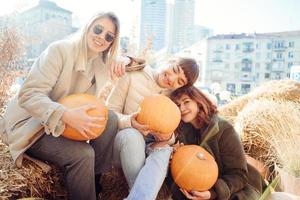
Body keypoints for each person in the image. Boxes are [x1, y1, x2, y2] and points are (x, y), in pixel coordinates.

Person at [0, 12, 130, 200]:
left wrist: (126, 59)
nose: (101, 37)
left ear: (112, 43)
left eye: (109, 36)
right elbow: (28, 94)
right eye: (98, 29)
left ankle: (92, 179)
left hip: (61, 125)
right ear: (88, 27)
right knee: (84, 154)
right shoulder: (60, 50)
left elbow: (139, 65)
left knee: (108, 118)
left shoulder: (101, 65)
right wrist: (64, 115)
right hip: (33, 123)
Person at [108, 58, 199, 200]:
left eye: (180, 81)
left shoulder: (174, 99)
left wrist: (168, 137)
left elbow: (172, 133)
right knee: (133, 136)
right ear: (170, 61)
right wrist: (130, 122)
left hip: (149, 145)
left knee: (164, 150)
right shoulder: (134, 75)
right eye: (174, 70)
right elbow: (109, 113)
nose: (172, 79)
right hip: (123, 142)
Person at [168, 86, 266, 200]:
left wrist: (212, 192)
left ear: (198, 102)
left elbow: (239, 175)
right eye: (178, 105)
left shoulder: (224, 129)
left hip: (235, 189)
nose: (182, 108)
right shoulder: (179, 133)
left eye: (186, 102)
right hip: (197, 191)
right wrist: (173, 160)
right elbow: (183, 174)